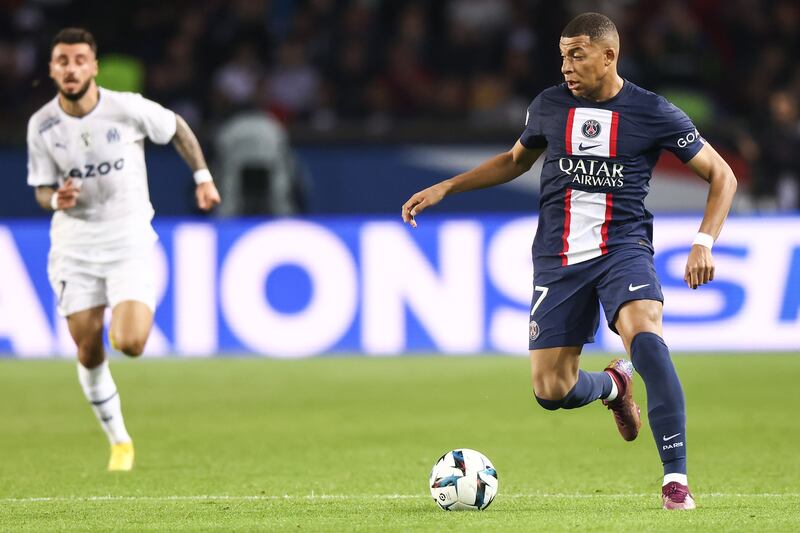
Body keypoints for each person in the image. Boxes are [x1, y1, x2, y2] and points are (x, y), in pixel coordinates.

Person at [401, 13, 736, 510]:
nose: (566, 66)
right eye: (562, 55)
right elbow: (516, 161)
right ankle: (612, 385)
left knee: (646, 337)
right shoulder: (550, 105)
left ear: (609, 56)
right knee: (551, 389)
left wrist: (703, 241)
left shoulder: (652, 112)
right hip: (558, 260)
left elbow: (722, 174)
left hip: (622, 249)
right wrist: (447, 186)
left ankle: (675, 482)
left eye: (577, 54)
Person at [26, 28, 221, 471]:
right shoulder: (42, 125)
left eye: (79, 60)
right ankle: (120, 441)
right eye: (62, 61)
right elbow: (41, 190)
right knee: (88, 348)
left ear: (93, 66)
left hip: (127, 237)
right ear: (52, 69)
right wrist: (56, 198)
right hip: (74, 245)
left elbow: (178, 129)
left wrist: (202, 177)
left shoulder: (127, 108)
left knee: (130, 343)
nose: (71, 68)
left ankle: (124, 308)